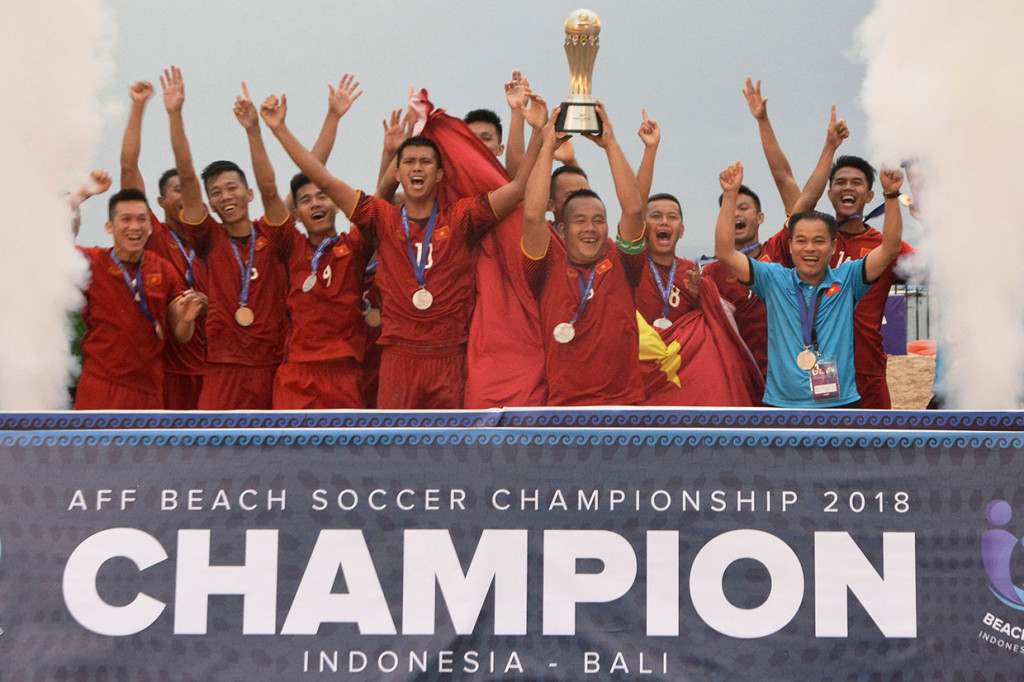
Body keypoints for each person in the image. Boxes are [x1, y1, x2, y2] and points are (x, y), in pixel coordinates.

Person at [260, 87, 547, 409]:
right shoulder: (381, 218)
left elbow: (517, 188)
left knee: (445, 442)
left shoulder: (462, 218)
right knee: (396, 442)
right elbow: (323, 179)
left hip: (449, 356)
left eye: (426, 162)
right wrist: (280, 129)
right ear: (398, 173)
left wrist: (538, 132)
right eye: (409, 161)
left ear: (440, 174)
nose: (417, 167)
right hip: (398, 356)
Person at [744, 77, 911, 408]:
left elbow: (933, 269)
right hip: (806, 374)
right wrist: (764, 121)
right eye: (840, 182)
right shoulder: (807, 239)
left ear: (870, 194)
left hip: (866, 369)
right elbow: (783, 178)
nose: (848, 188)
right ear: (829, 193)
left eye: (857, 183)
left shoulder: (885, 246)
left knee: (874, 443)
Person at [713, 161, 905, 408]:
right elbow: (725, 253)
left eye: (819, 241)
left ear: (833, 246)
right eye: (801, 241)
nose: (810, 248)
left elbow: (890, 248)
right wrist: (730, 195)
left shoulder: (848, 279)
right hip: (782, 404)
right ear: (790, 246)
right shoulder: (772, 279)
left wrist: (891, 195)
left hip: (839, 403)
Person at [163, 66, 292, 410]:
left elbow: (270, 188)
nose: (225, 196)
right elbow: (187, 178)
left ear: (248, 194)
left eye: (232, 188)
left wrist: (253, 130)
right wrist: (175, 114)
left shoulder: (274, 237)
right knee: (216, 445)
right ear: (210, 204)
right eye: (216, 193)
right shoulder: (209, 238)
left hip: (272, 365)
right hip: (222, 366)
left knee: (273, 446)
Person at [522, 103, 646, 406]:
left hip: (623, 408)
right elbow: (533, 215)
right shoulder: (546, 267)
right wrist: (547, 146)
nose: (590, 228)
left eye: (598, 220)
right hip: (564, 410)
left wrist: (610, 144)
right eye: (580, 220)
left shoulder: (623, 262)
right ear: (562, 228)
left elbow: (633, 210)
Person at [74, 175, 206, 410]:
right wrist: (82, 193)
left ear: (150, 227)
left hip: (149, 392)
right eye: (126, 219)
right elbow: (44, 234)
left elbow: (181, 334)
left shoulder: (162, 270)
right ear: (109, 227)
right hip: (100, 387)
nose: (134, 227)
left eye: (141, 219)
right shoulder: (93, 262)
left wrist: (187, 319)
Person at [119, 79, 209, 409]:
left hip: (213, 372)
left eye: (191, 189)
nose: (187, 196)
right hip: (165, 371)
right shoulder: (154, 236)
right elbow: (128, 168)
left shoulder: (213, 242)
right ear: (160, 202)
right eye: (178, 190)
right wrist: (138, 106)